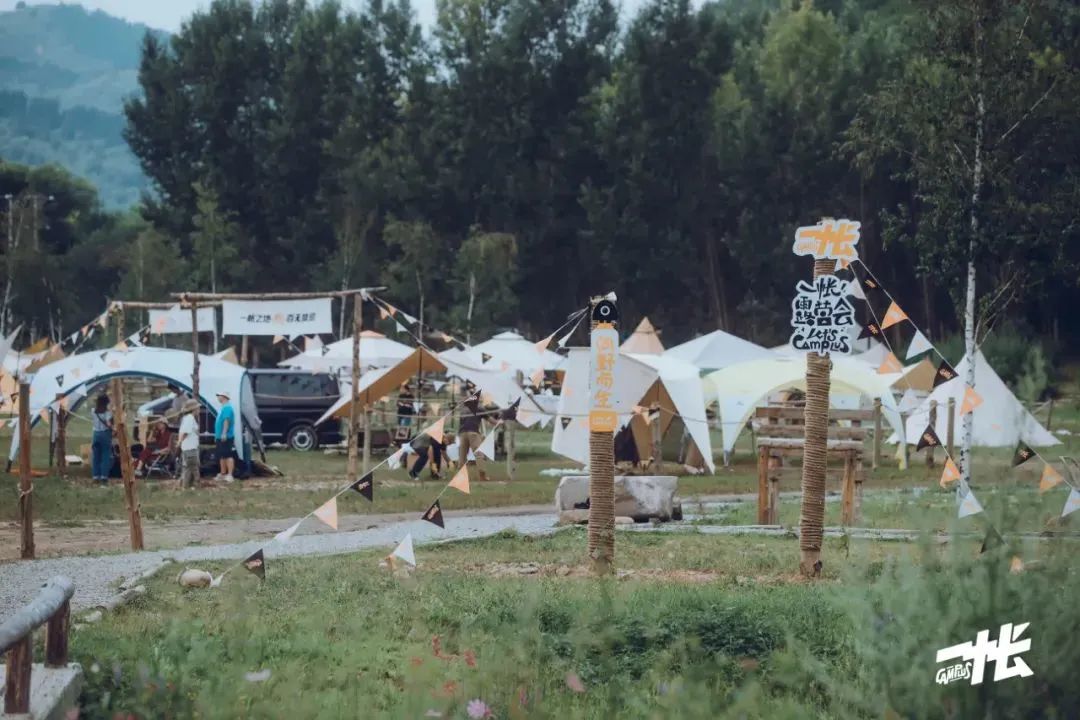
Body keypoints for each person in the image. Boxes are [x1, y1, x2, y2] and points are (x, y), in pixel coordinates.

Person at [457, 395, 488, 482]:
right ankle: (482, 476)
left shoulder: (463, 410)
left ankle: (460, 477)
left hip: (462, 433)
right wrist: (499, 422)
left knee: (462, 455)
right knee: (479, 454)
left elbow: (460, 424)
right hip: (473, 432)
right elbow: (490, 419)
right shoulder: (480, 408)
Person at [178, 399, 201, 489]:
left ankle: (186, 485)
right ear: (194, 409)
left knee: (188, 467)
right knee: (193, 467)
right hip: (190, 447)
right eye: (198, 408)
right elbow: (185, 432)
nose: (199, 410)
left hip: (189, 447)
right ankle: (193, 485)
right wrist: (180, 441)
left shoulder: (187, 418)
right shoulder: (190, 418)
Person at [91, 395, 113, 484]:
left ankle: (95, 476)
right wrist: (113, 428)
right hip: (105, 434)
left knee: (96, 456)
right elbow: (108, 423)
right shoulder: (107, 413)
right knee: (105, 456)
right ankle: (104, 476)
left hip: (95, 434)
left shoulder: (93, 411)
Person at [214, 390, 236, 483]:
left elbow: (226, 421)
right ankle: (223, 473)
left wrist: (224, 433)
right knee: (222, 455)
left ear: (224, 397)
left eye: (219, 395)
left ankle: (230, 474)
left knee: (227, 455)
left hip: (225, 436)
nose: (218, 397)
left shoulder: (227, 408)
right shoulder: (223, 408)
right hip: (220, 436)